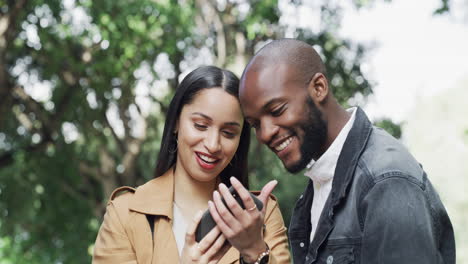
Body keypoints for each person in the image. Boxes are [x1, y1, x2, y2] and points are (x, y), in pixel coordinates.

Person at [231, 39, 455, 263]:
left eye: (277, 110)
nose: (264, 134)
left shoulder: (386, 181)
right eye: (255, 124)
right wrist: (255, 252)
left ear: (319, 88)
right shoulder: (321, 182)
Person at [92, 66, 290, 264]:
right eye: (200, 125)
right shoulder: (125, 213)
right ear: (176, 122)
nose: (213, 145)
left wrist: (254, 251)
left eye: (228, 133)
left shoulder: (261, 215)